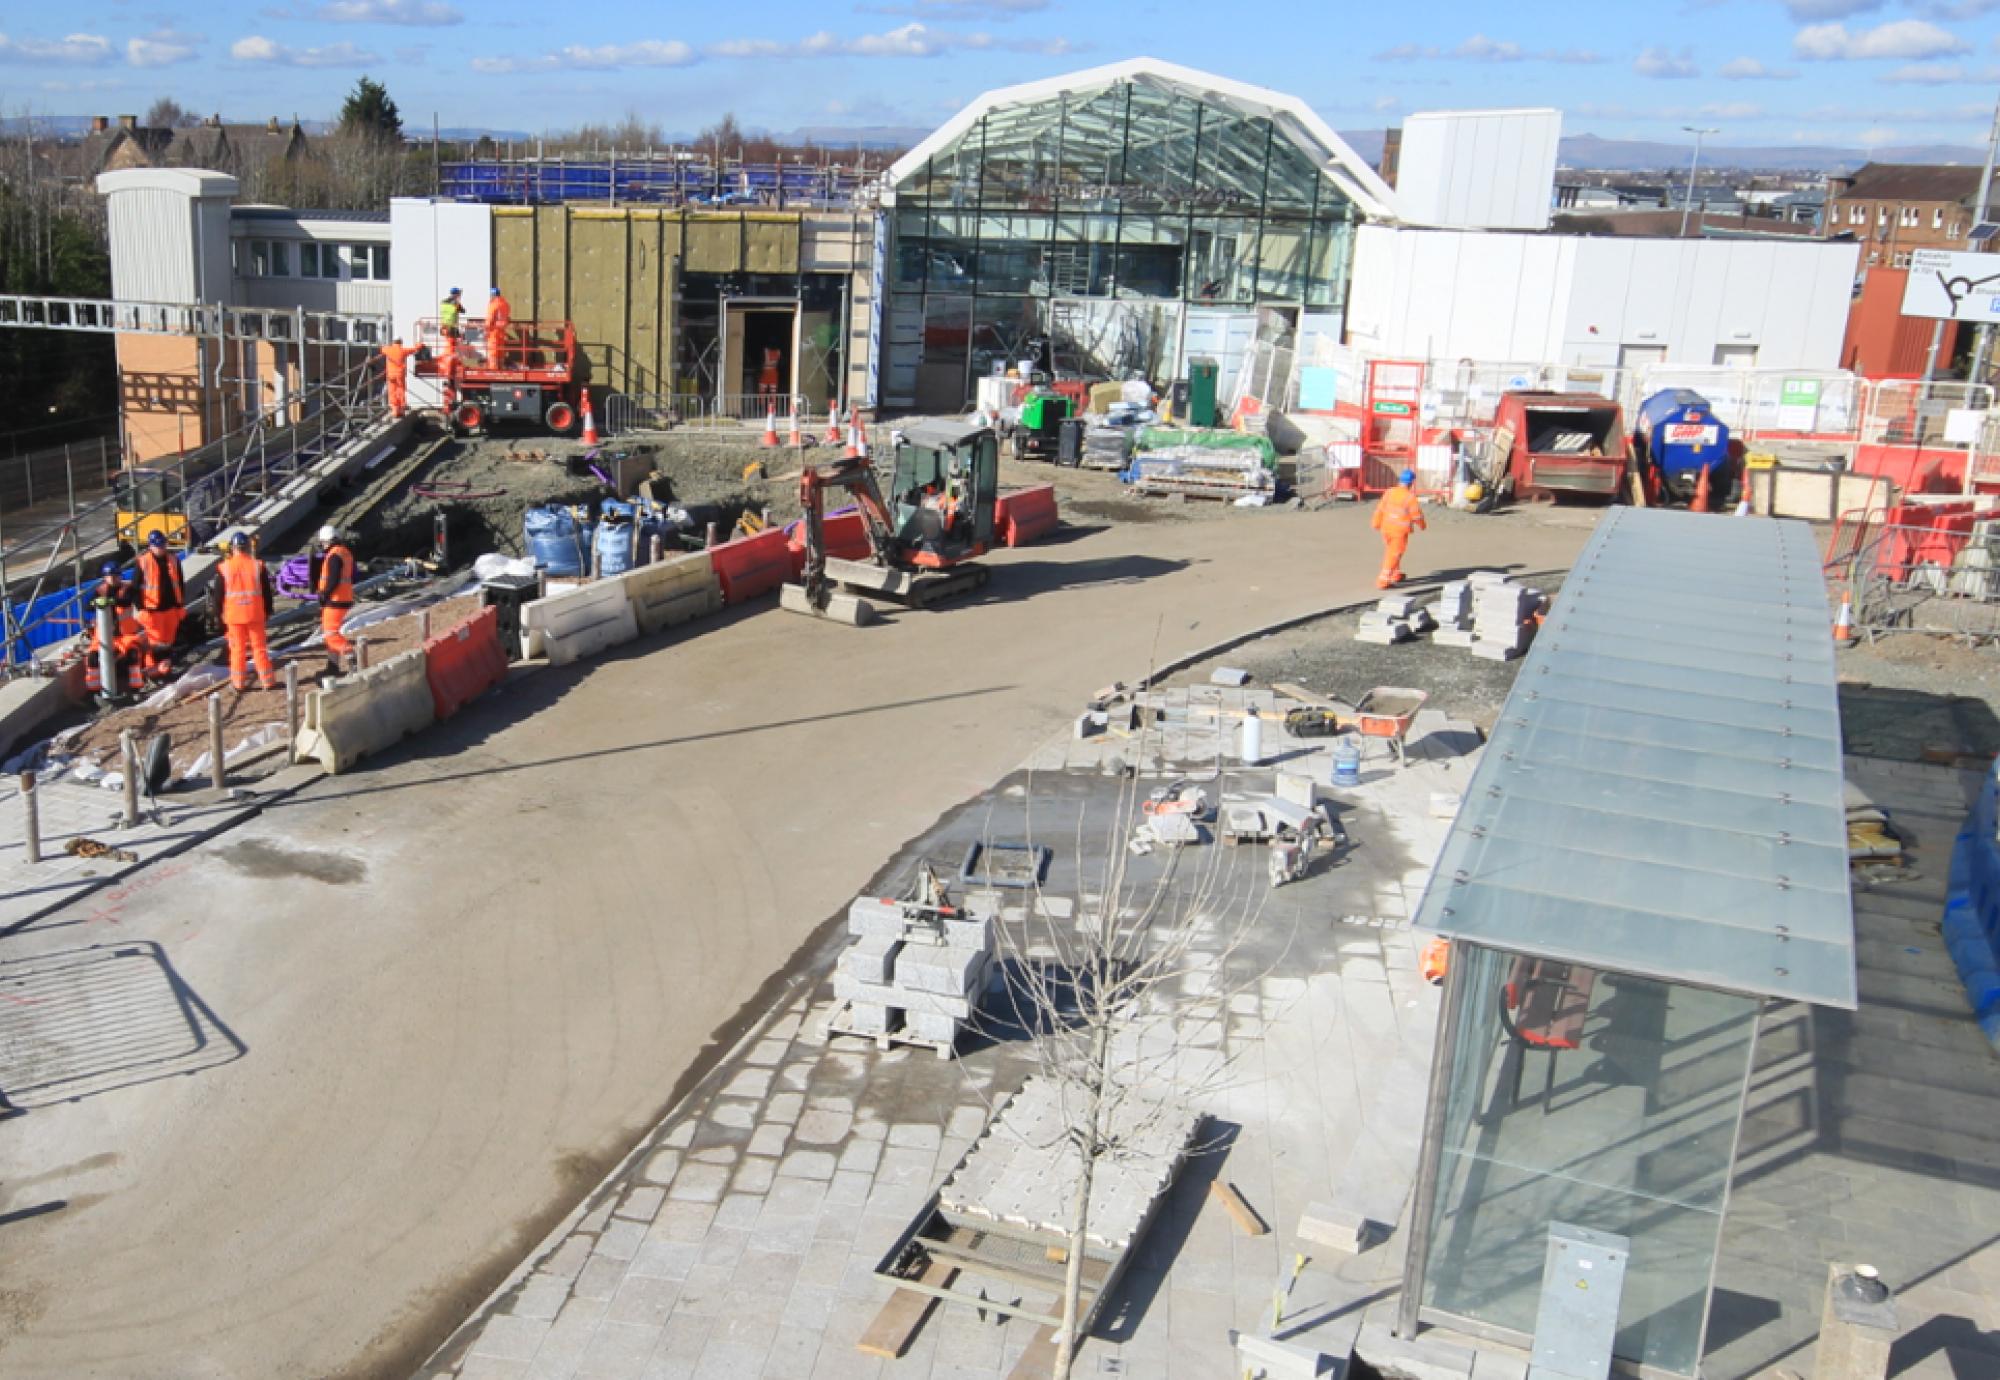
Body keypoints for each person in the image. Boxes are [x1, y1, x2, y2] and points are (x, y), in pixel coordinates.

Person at [218, 533, 277, 692]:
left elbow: (218, 596)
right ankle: (268, 681)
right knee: (259, 648)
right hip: (255, 614)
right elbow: (266, 592)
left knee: (238, 650)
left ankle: (238, 684)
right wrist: (268, 611)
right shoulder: (258, 566)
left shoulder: (225, 567)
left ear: (233, 548)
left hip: (234, 616)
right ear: (248, 547)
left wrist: (219, 616)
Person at [134, 531, 184, 679]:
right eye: (159, 546)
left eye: (163, 545)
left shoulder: (174, 560)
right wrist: (141, 608)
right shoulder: (143, 562)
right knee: (154, 643)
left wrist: (180, 605)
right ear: (151, 546)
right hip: (152, 611)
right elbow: (135, 588)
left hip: (170, 609)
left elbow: (179, 584)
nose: (162, 549)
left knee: (168, 642)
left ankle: (165, 670)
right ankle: (152, 672)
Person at [1371, 467, 1426, 590]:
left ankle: (1395, 574)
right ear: (1411, 483)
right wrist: (1422, 525)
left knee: (1393, 552)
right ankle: (1383, 580)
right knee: (1394, 554)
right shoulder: (1409, 497)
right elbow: (1416, 515)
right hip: (1399, 532)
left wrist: (1376, 522)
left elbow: (1380, 508)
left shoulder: (1390, 492)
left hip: (1386, 529)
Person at [313, 525, 357, 673]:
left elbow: (333, 579)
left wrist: (324, 594)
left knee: (330, 634)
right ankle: (332, 666)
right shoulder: (345, 553)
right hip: (343, 598)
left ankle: (350, 655)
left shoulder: (333, 556)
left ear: (328, 541)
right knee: (330, 634)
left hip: (335, 600)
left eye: (323, 543)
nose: (322, 547)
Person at [379, 337, 418, 419]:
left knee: (392, 391)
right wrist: (419, 345)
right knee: (401, 390)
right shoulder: (403, 350)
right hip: (400, 374)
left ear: (393, 342)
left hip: (391, 375)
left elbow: (382, 349)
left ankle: (395, 410)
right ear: (401, 343)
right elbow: (414, 350)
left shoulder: (388, 349)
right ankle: (401, 410)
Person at [485, 286, 511, 368]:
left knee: (493, 351)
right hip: (502, 330)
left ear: (493, 295)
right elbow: (507, 317)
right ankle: (501, 368)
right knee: (501, 351)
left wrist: (486, 330)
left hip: (494, 331)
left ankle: (493, 370)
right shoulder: (505, 304)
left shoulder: (493, 305)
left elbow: (490, 318)